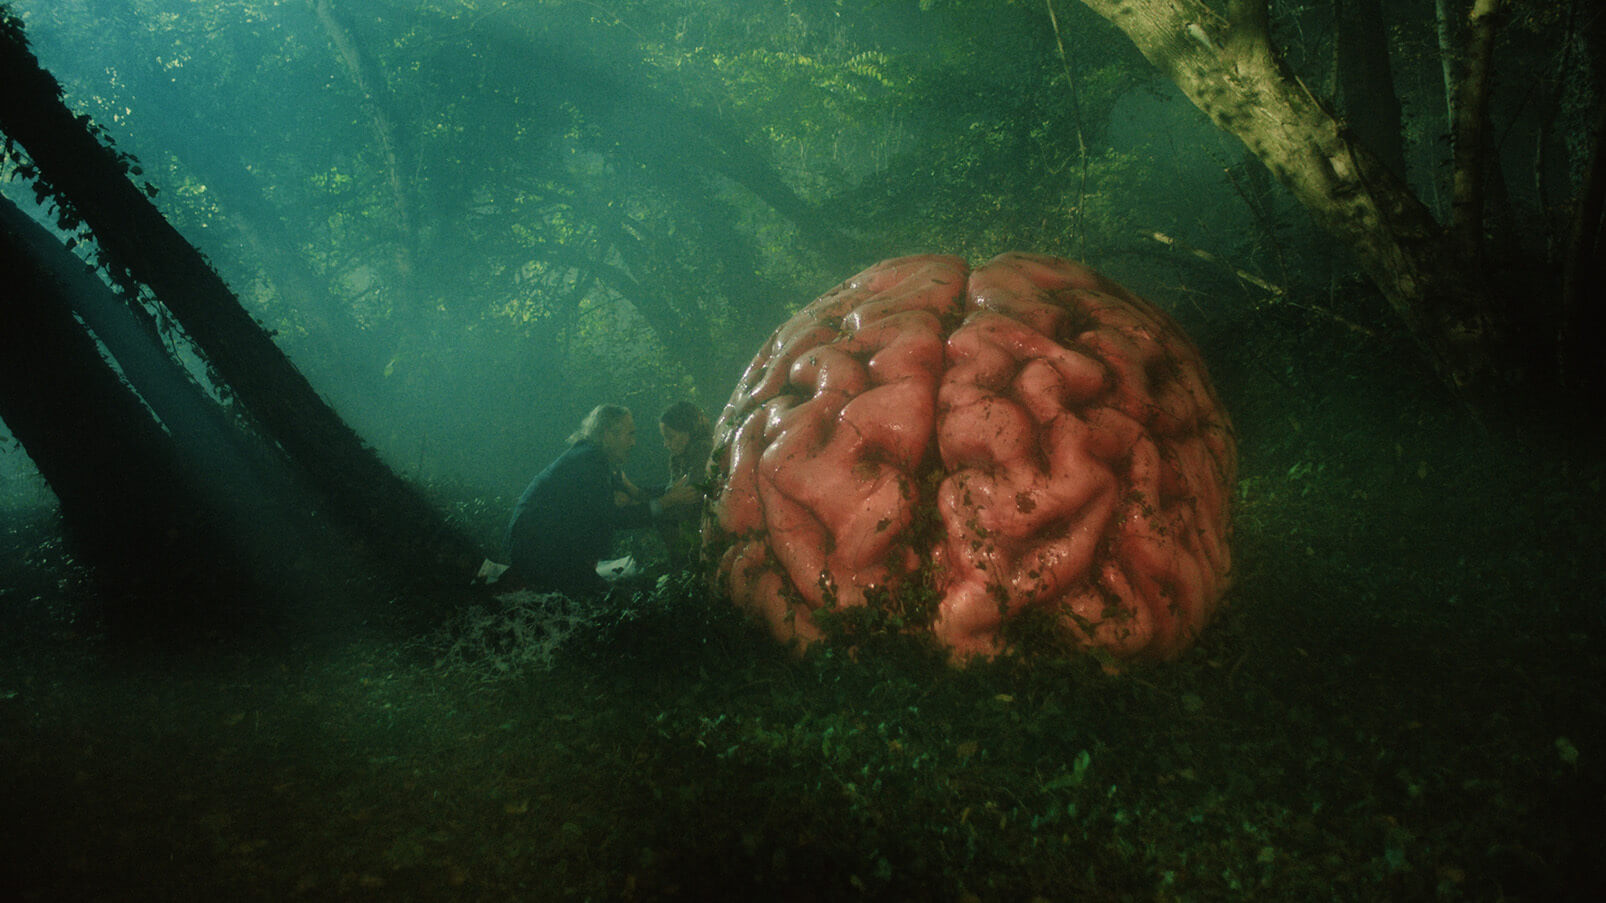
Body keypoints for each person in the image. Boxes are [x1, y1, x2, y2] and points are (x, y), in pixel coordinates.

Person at [505, 404, 700, 594]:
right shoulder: (590, 463)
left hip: (540, 546)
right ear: (608, 435)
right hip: (539, 550)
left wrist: (670, 493)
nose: (633, 442)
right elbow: (614, 518)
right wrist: (668, 501)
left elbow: (635, 494)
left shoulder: (592, 457)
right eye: (629, 434)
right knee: (610, 598)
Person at [653, 401, 714, 566]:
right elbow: (673, 493)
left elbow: (691, 495)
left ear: (688, 431)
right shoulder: (678, 458)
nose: (666, 444)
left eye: (670, 437)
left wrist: (671, 499)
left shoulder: (703, 451)